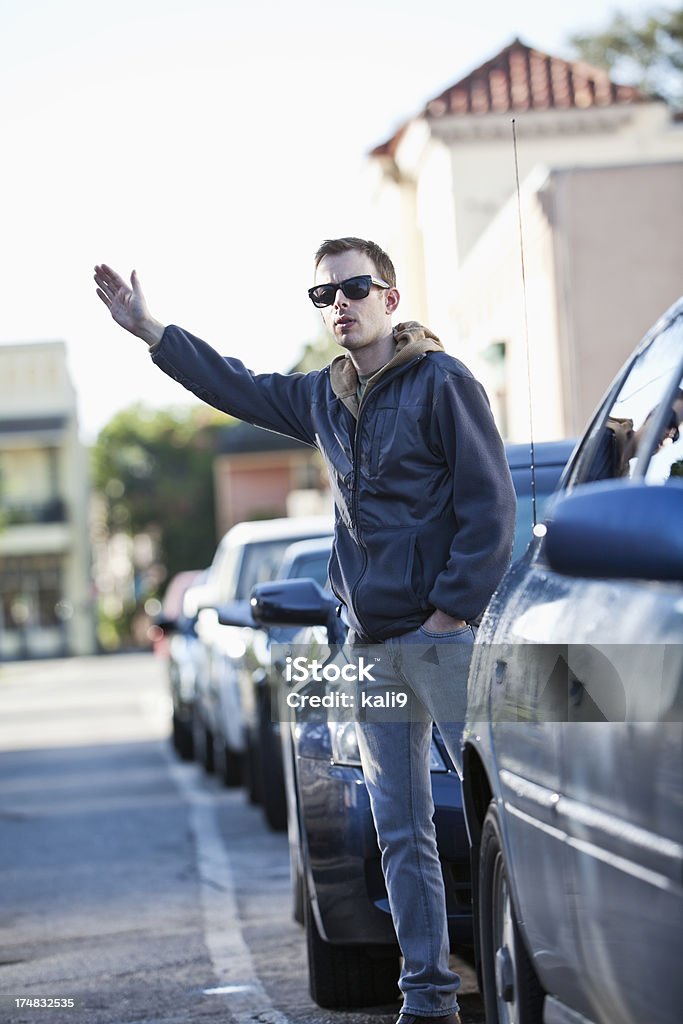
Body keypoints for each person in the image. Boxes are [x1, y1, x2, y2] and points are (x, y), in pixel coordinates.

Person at [94, 238, 516, 1024]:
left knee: (502, 815)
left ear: (389, 297)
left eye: (355, 288)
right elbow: (239, 387)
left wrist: (450, 610)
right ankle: (426, 998)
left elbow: (490, 507)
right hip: (369, 646)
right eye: (324, 295)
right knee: (399, 830)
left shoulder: (443, 382)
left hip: (444, 638)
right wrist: (153, 332)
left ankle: (527, 975)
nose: (339, 305)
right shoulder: (324, 397)